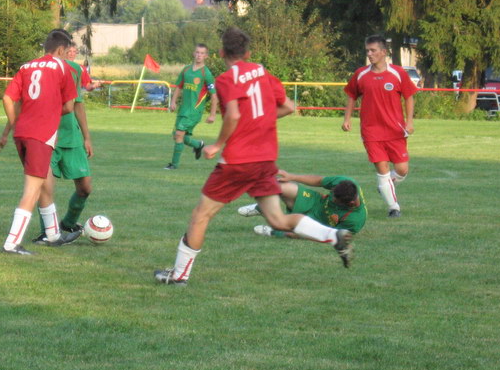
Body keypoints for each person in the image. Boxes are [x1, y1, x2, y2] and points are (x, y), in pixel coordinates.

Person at [154, 27, 353, 285]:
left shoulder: (227, 78)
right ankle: (333, 236)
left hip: (238, 161)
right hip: (265, 159)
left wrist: (218, 144)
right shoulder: (262, 72)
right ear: (248, 53)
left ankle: (179, 275)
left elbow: (234, 114)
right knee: (277, 220)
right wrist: (258, 122)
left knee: (200, 216)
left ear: (221, 52)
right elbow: (289, 106)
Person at [0, 30, 78, 255]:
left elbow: (8, 98)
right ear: (61, 50)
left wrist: (14, 125)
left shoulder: (26, 67)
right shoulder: (63, 67)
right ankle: (11, 243)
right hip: (41, 135)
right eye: (67, 51)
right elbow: (69, 106)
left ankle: (53, 234)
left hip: (22, 133)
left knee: (45, 183)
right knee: (32, 189)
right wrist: (49, 112)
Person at [342, 35, 417, 218]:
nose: (369, 54)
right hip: (371, 131)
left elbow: (409, 97)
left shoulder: (398, 73)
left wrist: (409, 121)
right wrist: (347, 118)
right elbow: (351, 96)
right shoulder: (361, 74)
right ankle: (394, 208)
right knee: (382, 170)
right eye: (367, 50)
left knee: (402, 170)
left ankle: (386, 186)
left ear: (383, 52)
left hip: (395, 130)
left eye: (373, 50)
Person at [32, 42, 94, 246]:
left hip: (72, 137)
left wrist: (86, 137)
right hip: (47, 136)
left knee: (85, 188)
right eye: (67, 48)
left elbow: (78, 105)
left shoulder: (75, 70)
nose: (70, 51)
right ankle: (46, 233)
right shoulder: (39, 68)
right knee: (45, 187)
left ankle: (67, 224)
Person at [237, 169, 367, 238]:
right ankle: (264, 208)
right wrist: (292, 177)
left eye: (336, 201)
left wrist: (275, 233)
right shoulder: (345, 182)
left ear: (350, 203)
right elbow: (319, 181)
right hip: (316, 202)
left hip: (318, 223)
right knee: (279, 186)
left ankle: (274, 227)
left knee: (294, 228)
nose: (332, 199)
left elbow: (327, 236)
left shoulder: (355, 221)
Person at [164, 44, 219, 170]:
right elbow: (179, 87)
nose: (199, 55)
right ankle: (198, 145)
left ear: (206, 56)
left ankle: (174, 165)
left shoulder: (206, 73)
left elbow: (214, 95)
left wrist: (212, 115)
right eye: (197, 52)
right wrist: (173, 102)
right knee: (177, 135)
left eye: (202, 53)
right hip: (183, 109)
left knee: (179, 134)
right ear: (194, 53)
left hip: (195, 111)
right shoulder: (186, 70)